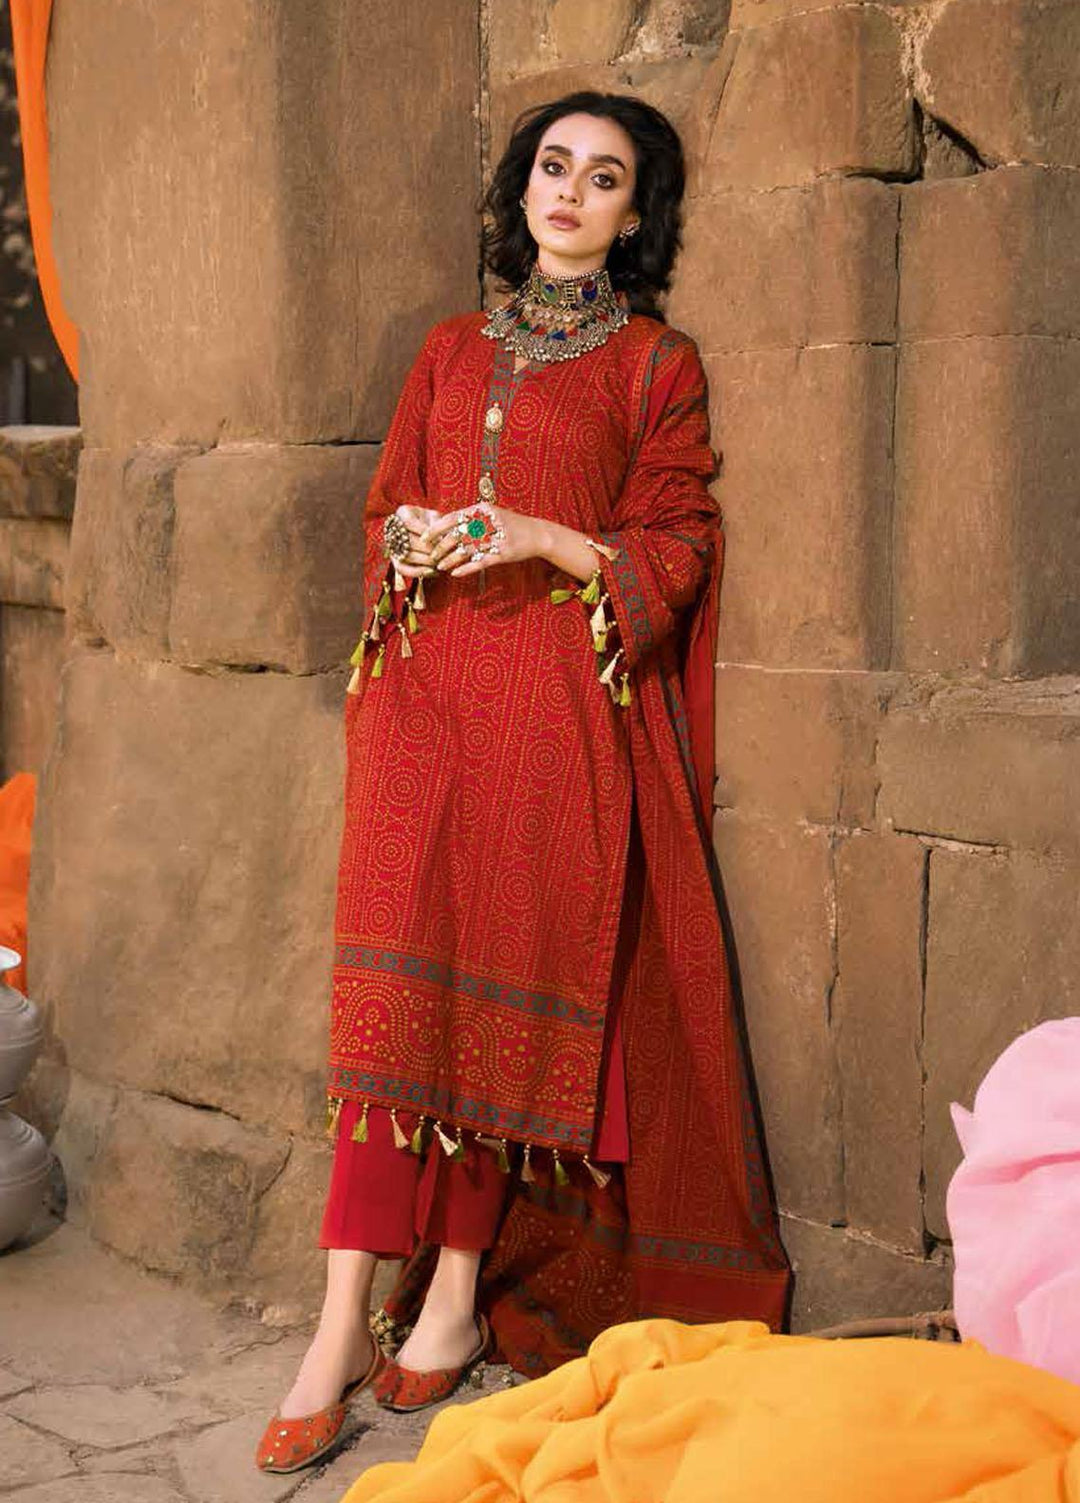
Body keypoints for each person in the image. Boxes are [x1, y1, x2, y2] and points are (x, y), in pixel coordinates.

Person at [256, 89, 790, 1476]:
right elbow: (385, 503)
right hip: (423, 707)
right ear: (522, 187)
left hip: (556, 718)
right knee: (389, 1019)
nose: (570, 191)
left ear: (634, 213)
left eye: (604, 177)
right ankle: (336, 1326)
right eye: (554, 166)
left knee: (499, 1007)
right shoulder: (449, 350)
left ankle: (448, 1298)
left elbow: (676, 543)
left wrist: (542, 535)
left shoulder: (656, 367)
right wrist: (413, 542)